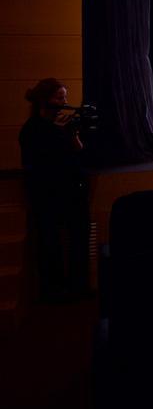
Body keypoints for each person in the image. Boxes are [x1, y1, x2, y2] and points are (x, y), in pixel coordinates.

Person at [18, 78, 89, 302]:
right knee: (50, 243)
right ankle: (54, 291)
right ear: (44, 101)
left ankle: (79, 287)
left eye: (65, 97)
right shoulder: (31, 130)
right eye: (60, 98)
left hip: (72, 190)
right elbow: (40, 163)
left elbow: (79, 150)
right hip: (48, 195)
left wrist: (72, 133)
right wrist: (56, 133)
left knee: (79, 240)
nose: (64, 102)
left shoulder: (64, 125)